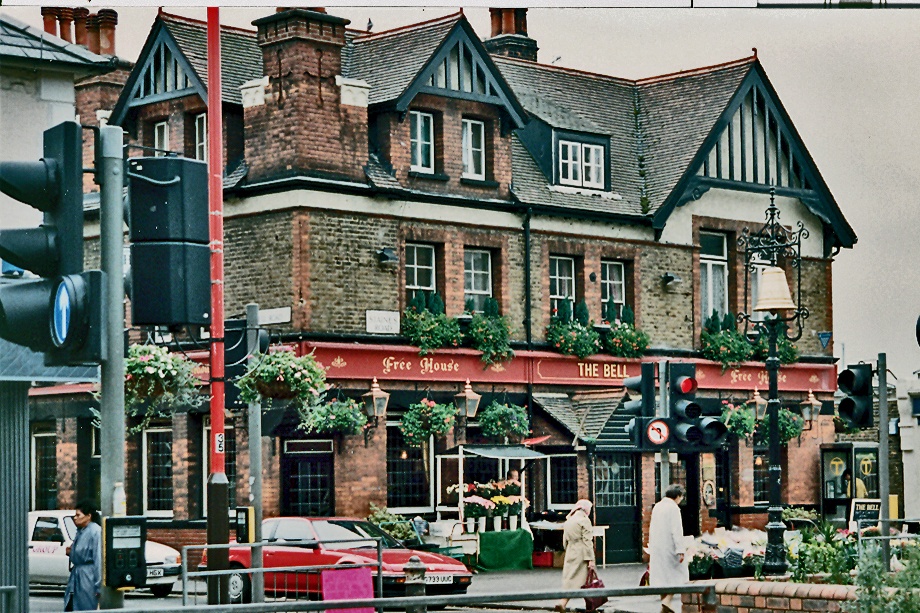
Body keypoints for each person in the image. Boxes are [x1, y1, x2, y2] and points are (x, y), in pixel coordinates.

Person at [649, 484, 689, 613]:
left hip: (657, 546)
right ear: (677, 496)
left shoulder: (658, 507)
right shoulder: (673, 508)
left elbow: (652, 528)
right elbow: (676, 530)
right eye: (681, 497)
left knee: (662, 577)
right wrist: (680, 550)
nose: (681, 500)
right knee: (678, 575)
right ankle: (667, 600)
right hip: (670, 547)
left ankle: (664, 606)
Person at [555, 499, 596, 613]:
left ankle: (589, 606)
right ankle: (564, 603)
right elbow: (588, 541)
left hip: (571, 551)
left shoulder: (570, 520)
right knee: (587, 581)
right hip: (581, 552)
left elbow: (565, 540)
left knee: (571, 579)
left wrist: (568, 549)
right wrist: (591, 559)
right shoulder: (584, 520)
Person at [64, 500, 102, 611]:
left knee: (85, 606)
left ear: (88, 516)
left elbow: (98, 559)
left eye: (78, 515)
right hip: (77, 576)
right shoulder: (81, 531)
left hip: (88, 577)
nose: (75, 518)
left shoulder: (95, 531)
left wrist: (98, 586)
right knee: (72, 604)